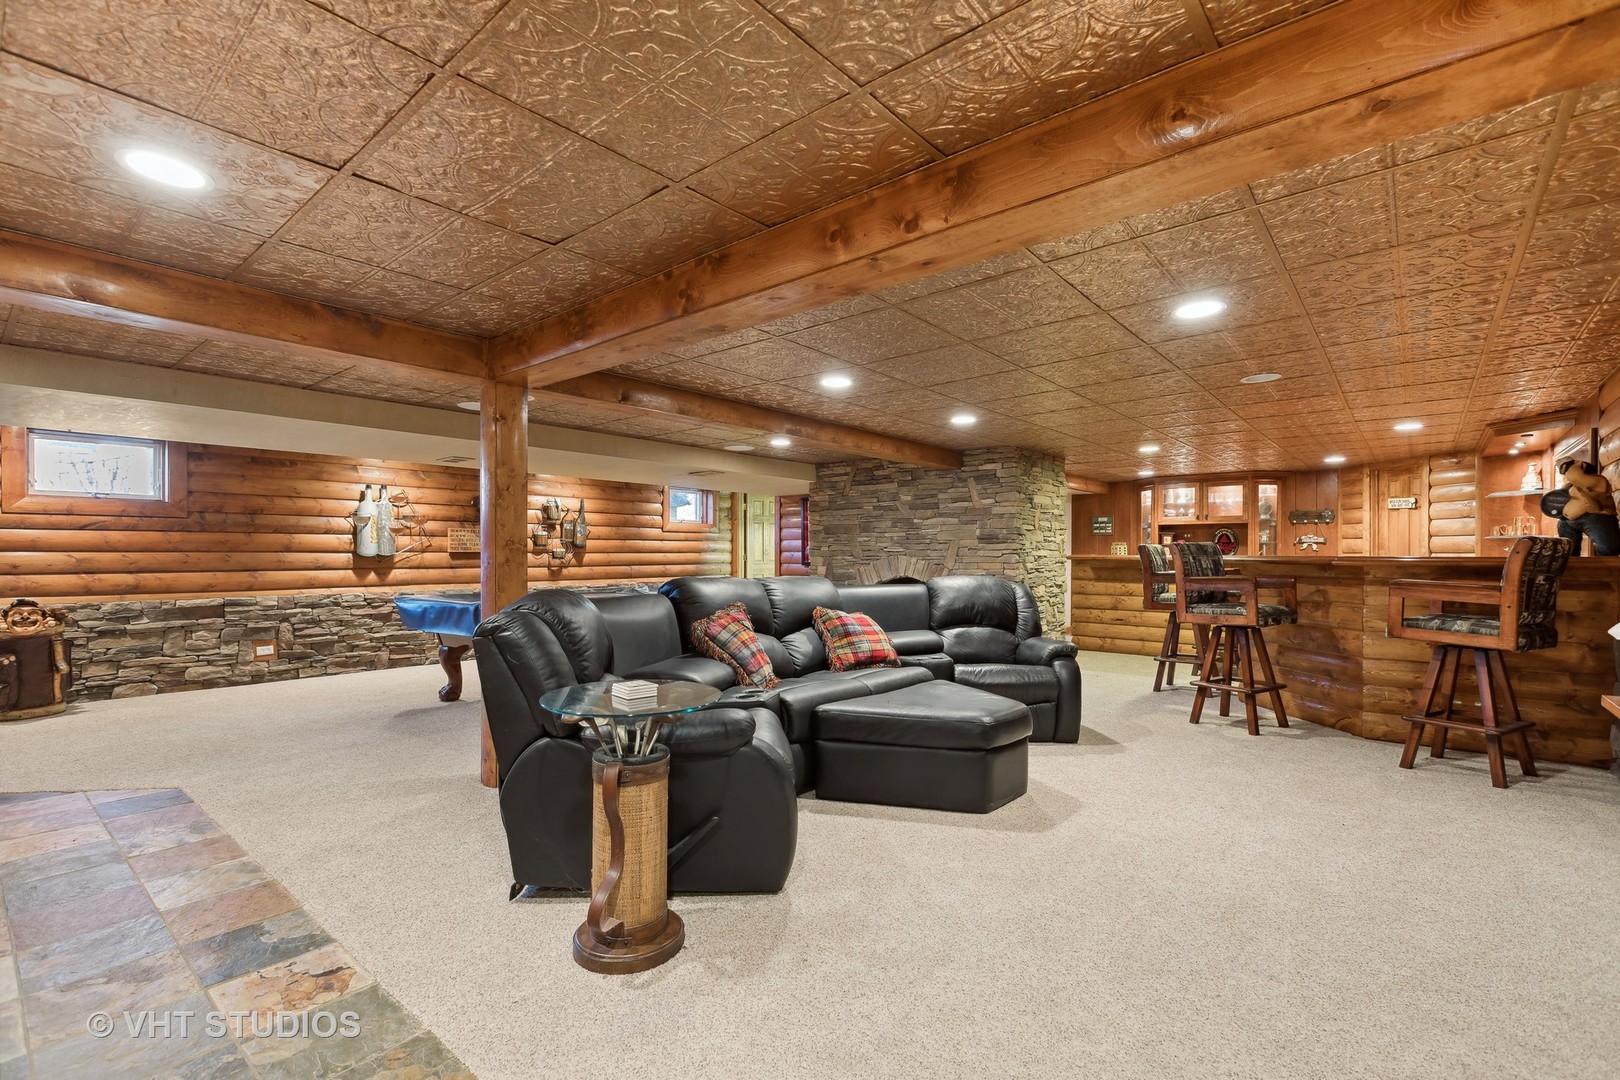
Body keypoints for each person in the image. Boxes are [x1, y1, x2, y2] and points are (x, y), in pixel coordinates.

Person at [1555, 459, 1620, 555]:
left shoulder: (1598, 480)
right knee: (1568, 552)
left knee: (1607, 550)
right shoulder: (1572, 486)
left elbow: (1575, 476)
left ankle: (1606, 563)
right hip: (1570, 521)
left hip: (1597, 517)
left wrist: (1577, 464)